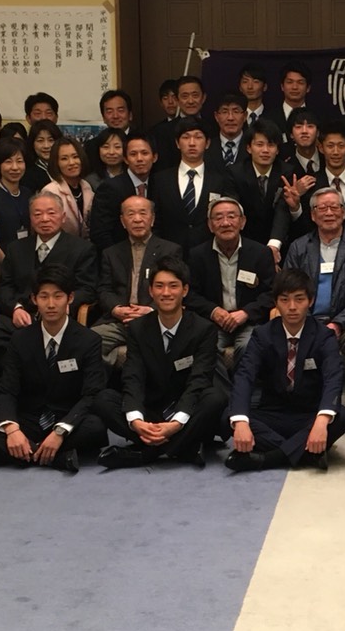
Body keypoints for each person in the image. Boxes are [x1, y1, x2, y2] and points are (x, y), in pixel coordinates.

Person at [0, 264, 107, 473]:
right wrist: (12, 429)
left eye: (58, 296)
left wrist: (60, 432)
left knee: (96, 426)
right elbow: (7, 390)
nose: (51, 304)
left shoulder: (89, 340)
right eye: (44, 297)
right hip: (29, 419)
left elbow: (92, 394)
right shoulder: (20, 339)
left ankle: (18, 453)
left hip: (66, 418)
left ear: (70, 298)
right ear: (34, 299)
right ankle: (53, 457)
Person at [100, 256, 228, 469]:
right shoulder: (138, 328)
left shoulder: (203, 329)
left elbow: (199, 380)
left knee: (215, 398)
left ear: (185, 290)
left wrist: (176, 423)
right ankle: (182, 447)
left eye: (173, 286)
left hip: (187, 408)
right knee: (104, 399)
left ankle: (145, 454)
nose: (166, 292)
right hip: (151, 410)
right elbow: (133, 375)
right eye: (159, 286)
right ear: (151, 291)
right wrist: (136, 420)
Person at [225, 268, 345, 472]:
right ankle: (306, 453)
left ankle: (268, 459)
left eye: (299, 299)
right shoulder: (262, 335)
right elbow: (245, 376)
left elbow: (334, 378)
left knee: (341, 418)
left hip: (308, 414)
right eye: (284, 300)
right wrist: (242, 422)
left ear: (311, 301)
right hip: (273, 414)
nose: (292, 307)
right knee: (229, 416)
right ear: (276, 302)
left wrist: (321, 420)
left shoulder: (324, 336)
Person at [0, 189, 100, 377]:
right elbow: (5, 287)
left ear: (63, 217)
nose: (44, 219)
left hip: (59, 317)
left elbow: (87, 289)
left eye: (51, 213)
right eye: (38, 214)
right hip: (19, 317)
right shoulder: (15, 248)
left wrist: (62, 305)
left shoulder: (82, 249)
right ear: (30, 219)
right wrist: (16, 308)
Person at [282, 188, 345, 409]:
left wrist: (338, 323)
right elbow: (288, 288)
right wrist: (308, 322)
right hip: (306, 321)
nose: (329, 213)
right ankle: (298, 406)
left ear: (344, 213)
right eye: (322, 208)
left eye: (334, 207)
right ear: (312, 215)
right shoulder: (299, 247)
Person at [185, 195, 276, 373]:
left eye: (232, 216)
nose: (225, 223)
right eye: (218, 218)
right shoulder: (197, 255)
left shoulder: (260, 253)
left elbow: (272, 292)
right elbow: (190, 294)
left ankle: (243, 388)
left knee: (249, 345)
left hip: (249, 321)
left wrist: (246, 313)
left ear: (242, 222)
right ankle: (221, 388)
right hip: (213, 322)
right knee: (207, 347)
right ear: (210, 225)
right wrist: (214, 311)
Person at [93, 196, 183, 366]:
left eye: (143, 213)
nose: (137, 219)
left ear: (152, 219)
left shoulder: (170, 250)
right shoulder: (111, 253)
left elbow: (174, 289)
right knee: (89, 343)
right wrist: (117, 309)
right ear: (122, 221)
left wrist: (151, 309)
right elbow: (104, 289)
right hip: (120, 321)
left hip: (157, 319)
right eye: (131, 214)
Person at [146, 121, 234, 250]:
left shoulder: (220, 180)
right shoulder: (160, 180)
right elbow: (154, 220)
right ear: (177, 143)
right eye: (186, 137)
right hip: (168, 252)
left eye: (198, 137)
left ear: (207, 143)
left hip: (208, 252)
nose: (192, 143)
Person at [87, 130, 159, 252]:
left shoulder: (160, 185)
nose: (139, 159)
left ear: (154, 157)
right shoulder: (109, 188)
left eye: (144, 153)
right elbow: (100, 233)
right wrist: (117, 258)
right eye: (133, 154)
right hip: (119, 255)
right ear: (125, 159)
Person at [231, 121, 293, 255]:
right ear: (249, 148)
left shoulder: (286, 172)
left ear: (277, 150)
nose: (265, 150)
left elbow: (282, 210)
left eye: (271, 145)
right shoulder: (236, 173)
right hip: (243, 242)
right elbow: (234, 208)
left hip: (277, 242)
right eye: (259, 144)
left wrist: (274, 245)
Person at [42, 137, 93, 239]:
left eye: (75, 156)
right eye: (64, 159)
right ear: (56, 163)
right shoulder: (50, 191)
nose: (71, 162)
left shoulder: (86, 186)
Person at [207, 91, 249, 172]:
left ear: (245, 116)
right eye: (224, 112)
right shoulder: (206, 147)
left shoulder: (253, 147)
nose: (230, 118)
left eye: (236, 111)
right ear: (216, 116)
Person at [22, 119, 60, 193]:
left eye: (51, 140)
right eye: (40, 140)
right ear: (32, 144)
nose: (46, 146)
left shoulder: (65, 168)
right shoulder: (28, 175)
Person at [85, 126, 129, 190]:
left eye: (117, 147)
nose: (111, 152)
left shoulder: (133, 176)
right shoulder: (90, 181)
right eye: (106, 147)